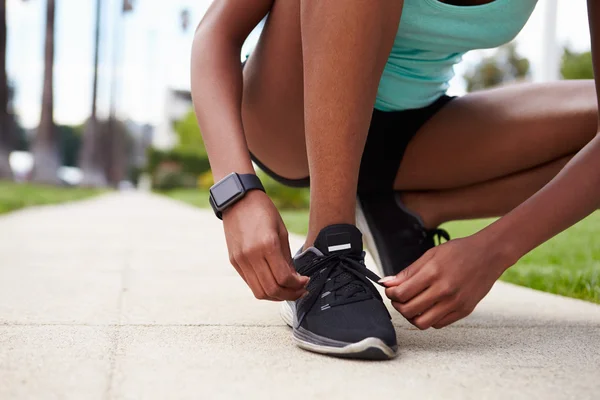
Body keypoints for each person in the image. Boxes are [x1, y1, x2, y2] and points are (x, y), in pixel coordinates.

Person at [191, 0, 600, 360]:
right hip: (290, 120)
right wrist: (236, 192)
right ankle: (329, 248)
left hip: (412, 132)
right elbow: (216, 33)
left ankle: (402, 213)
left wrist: (494, 249)